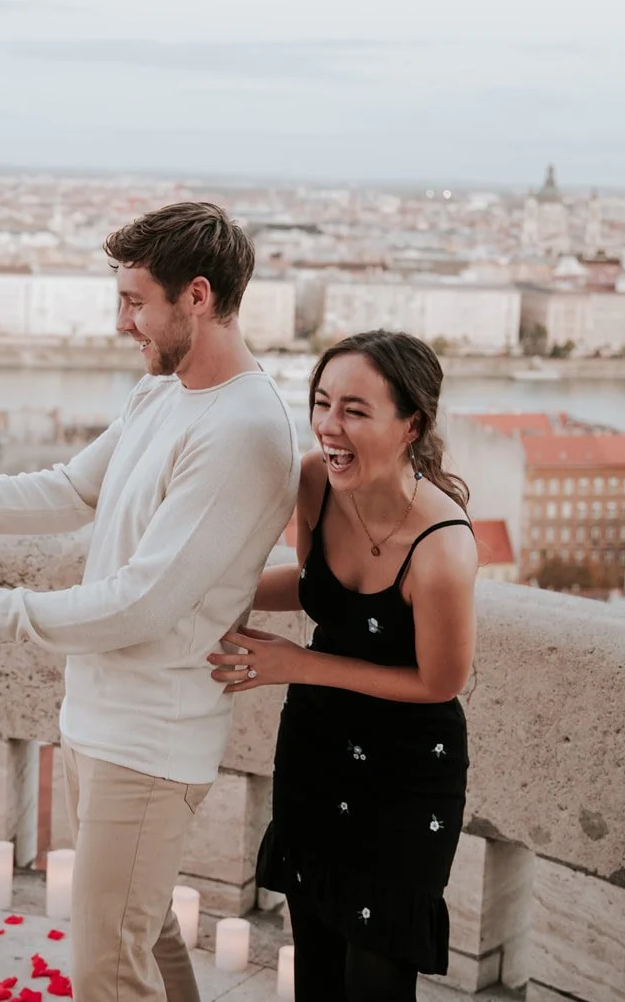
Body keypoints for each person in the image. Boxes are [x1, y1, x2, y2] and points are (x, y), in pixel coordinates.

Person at [0, 201, 301, 1002]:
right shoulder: (162, 393)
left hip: (151, 740)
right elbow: (70, 488)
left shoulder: (242, 429)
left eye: (135, 301)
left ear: (197, 296)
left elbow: (141, 603)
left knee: (106, 970)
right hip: (101, 720)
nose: (122, 322)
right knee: (141, 934)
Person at [206, 330, 479, 1002]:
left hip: (406, 772)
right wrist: (206, 592)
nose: (329, 425)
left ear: (411, 424)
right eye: (322, 402)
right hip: (317, 746)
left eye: (355, 410)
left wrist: (299, 663)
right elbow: (312, 587)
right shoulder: (314, 482)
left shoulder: (443, 547)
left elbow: (440, 681)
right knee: (318, 968)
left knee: (376, 982)